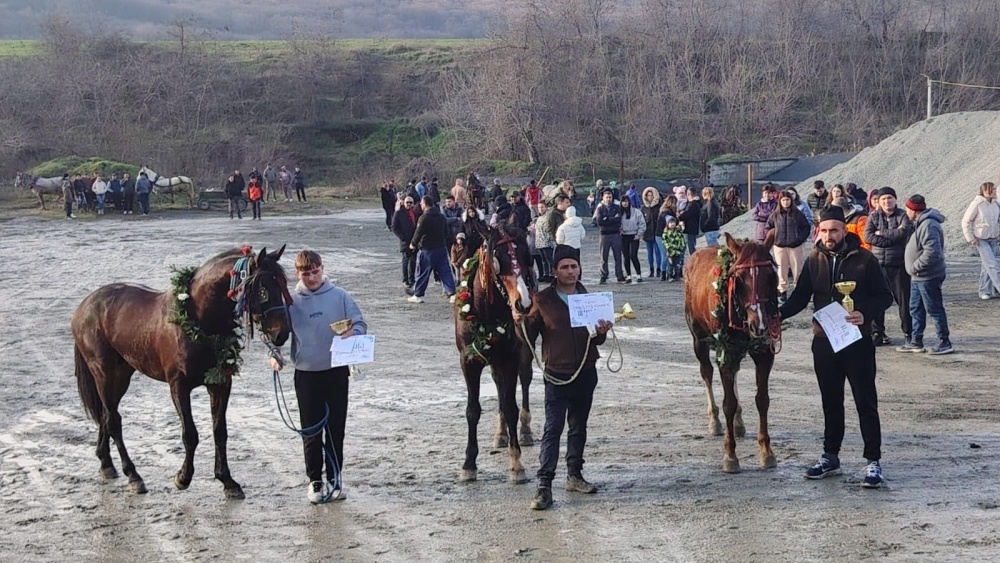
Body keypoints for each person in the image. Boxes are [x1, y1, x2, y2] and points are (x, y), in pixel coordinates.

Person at [779, 205, 893, 489]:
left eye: (835, 230)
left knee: (865, 402)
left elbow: (885, 296)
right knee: (831, 402)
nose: (829, 235)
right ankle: (831, 456)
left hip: (857, 342)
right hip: (824, 342)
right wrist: (775, 314)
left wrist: (865, 313)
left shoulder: (865, 259)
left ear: (844, 231)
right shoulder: (814, 259)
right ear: (819, 231)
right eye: (825, 230)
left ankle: (873, 461)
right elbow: (799, 297)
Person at [514, 244, 613, 511]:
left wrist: (602, 330)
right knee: (553, 428)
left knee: (579, 427)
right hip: (556, 375)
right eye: (565, 267)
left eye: (574, 266)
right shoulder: (542, 300)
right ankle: (544, 485)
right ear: (555, 271)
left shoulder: (588, 297)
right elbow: (527, 336)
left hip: (585, 371)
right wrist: (519, 321)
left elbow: (598, 339)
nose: (571, 271)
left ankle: (574, 475)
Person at [266, 250, 367, 504]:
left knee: (336, 428)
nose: (311, 277)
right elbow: (277, 333)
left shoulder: (340, 296)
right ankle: (315, 481)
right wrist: (274, 354)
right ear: (297, 273)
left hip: (336, 372)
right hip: (307, 374)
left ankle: (335, 478)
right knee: (311, 431)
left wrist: (353, 333)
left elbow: (360, 323)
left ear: (322, 269)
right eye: (305, 273)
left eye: (315, 272)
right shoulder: (291, 302)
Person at [900, 195, 953, 355]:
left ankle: (945, 341)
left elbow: (933, 252)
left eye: (907, 208)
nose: (906, 211)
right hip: (918, 277)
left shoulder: (928, 224)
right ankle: (916, 340)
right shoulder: (921, 223)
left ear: (912, 210)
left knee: (934, 309)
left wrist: (915, 267)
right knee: (915, 308)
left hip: (927, 276)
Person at [864, 187, 912, 347]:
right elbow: (868, 236)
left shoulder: (902, 215)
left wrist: (881, 232)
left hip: (898, 265)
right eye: (883, 199)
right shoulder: (873, 216)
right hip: (878, 265)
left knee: (904, 301)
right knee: (877, 301)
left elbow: (904, 233)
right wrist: (890, 239)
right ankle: (877, 332)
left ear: (895, 199)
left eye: (889, 198)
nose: (886, 202)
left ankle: (908, 332)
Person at [408, 196, 456, 304]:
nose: (420, 205)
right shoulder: (441, 217)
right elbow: (446, 233)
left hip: (428, 249)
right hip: (441, 248)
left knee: (423, 272)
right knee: (445, 271)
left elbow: (418, 233)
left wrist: (413, 244)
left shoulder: (423, 218)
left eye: (421, 203)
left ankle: (418, 294)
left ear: (425, 204)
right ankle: (452, 293)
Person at [767, 189, 812, 303]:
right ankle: (782, 292)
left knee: (797, 268)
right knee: (781, 269)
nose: (786, 202)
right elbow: (768, 227)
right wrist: (773, 238)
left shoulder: (797, 214)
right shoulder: (775, 215)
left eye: (787, 200)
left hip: (795, 247)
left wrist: (800, 239)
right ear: (780, 201)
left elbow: (806, 227)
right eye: (783, 200)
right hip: (779, 247)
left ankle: (799, 291)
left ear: (791, 201)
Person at [960, 182, 1000, 300]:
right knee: (992, 265)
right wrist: (970, 238)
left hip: (993, 238)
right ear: (985, 191)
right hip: (980, 240)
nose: (994, 191)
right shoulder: (976, 204)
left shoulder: (996, 204)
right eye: (992, 189)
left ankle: (985, 291)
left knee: (987, 265)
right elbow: (965, 221)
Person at [595, 189, 625, 284]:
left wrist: (607, 219)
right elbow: (600, 222)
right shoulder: (600, 209)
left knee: (618, 256)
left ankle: (619, 275)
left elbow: (619, 219)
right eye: (607, 197)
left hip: (615, 234)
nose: (608, 199)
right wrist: (612, 219)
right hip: (604, 235)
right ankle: (603, 275)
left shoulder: (617, 207)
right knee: (604, 257)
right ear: (603, 198)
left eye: (610, 197)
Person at [391, 196, 421, 290]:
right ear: (404, 203)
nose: (409, 204)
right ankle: (405, 280)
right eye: (407, 202)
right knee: (405, 260)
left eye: (411, 203)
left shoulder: (415, 213)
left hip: (414, 240)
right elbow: (394, 227)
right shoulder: (399, 213)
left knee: (413, 261)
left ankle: (412, 279)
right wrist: (402, 237)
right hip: (405, 241)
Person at [619, 195, 646, 283]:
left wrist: (639, 234)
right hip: (624, 236)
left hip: (634, 235)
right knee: (626, 256)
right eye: (623, 201)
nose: (625, 203)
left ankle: (639, 275)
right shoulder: (619, 213)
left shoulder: (637, 212)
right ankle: (628, 276)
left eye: (626, 201)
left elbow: (642, 223)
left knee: (633, 255)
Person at [640, 187, 662, 279]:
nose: (650, 197)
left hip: (657, 232)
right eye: (648, 195)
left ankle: (658, 269)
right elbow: (641, 221)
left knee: (658, 252)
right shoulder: (643, 208)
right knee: (649, 252)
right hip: (647, 232)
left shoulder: (659, 207)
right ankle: (651, 269)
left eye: (651, 195)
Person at [661, 216, 686, 282]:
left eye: (673, 222)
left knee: (678, 265)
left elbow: (682, 239)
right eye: (670, 222)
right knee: (670, 265)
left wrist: (682, 247)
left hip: (678, 251)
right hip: (670, 251)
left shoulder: (678, 232)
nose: (672, 224)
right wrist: (668, 248)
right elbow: (664, 241)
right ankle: (670, 276)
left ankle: (678, 276)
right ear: (667, 224)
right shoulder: (666, 233)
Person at [679, 186, 702, 255]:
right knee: (692, 244)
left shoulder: (692, 204)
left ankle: (693, 260)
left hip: (690, 227)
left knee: (691, 246)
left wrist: (679, 216)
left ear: (689, 194)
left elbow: (686, 215)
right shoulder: (698, 203)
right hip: (694, 226)